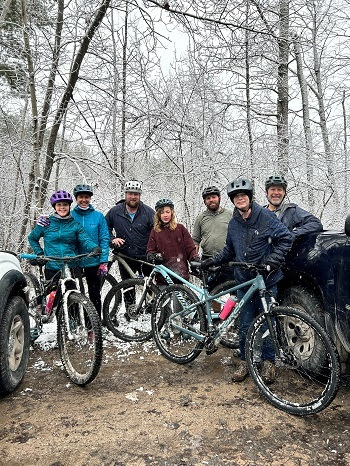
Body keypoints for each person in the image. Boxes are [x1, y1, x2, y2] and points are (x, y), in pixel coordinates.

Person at [201, 178, 293, 384]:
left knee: (267, 322)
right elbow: (228, 251)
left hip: (266, 280)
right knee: (244, 324)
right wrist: (211, 262)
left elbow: (286, 238)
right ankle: (246, 359)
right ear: (233, 200)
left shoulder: (266, 217)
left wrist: (271, 261)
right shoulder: (233, 223)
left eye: (243, 196)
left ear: (250, 198)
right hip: (244, 280)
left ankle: (269, 362)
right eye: (236, 197)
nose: (240, 199)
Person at [28, 190, 101, 283]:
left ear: (69, 206)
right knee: (53, 296)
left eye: (65, 205)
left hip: (70, 266)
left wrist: (94, 247)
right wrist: (39, 253)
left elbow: (85, 240)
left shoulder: (75, 225)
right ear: (55, 207)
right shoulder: (46, 223)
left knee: (72, 292)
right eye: (59, 205)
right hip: (52, 266)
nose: (62, 207)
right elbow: (32, 238)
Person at [70, 184, 110, 318]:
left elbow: (104, 238)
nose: (84, 200)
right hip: (74, 262)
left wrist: (103, 260)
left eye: (86, 197)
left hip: (93, 262)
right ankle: (75, 324)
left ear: (90, 198)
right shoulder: (69, 216)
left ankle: (94, 325)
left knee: (94, 295)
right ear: (76, 198)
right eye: (81, 197)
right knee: (72, 294)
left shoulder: (98, 216)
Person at [105, 180, 154, 279]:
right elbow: (104, 228)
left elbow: (158, 232)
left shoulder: (149, 212)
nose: (133, 197)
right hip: (125, 256)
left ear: (139, 195)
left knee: (149, 290)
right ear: (125, 194)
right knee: (128, 290)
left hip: (145, 258)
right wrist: (112, 239)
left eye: (136, 194)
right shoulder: (115, 211)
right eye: (130, 193)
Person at [146, 198, 198, 284]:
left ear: (172, 213)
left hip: (180, 274)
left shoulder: (180, 229)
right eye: (162, 213)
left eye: (167, 212)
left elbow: (190, 248)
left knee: (180, 297)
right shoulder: (155, 231)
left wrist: (194, 258)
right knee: (164, 297)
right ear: (158, 215)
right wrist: (153, 256)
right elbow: (150, 250)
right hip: (163, 276)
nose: (165, 215)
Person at [192, 186, 233, 289]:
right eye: (208, 198)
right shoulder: (200, 218)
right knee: (211, 294)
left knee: (234, 293)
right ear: (205, 201)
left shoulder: (230, 215)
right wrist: (194, 259)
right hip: (208, 260)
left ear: (219, 198)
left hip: (227, 260)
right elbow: (195, 241)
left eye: (214, 197)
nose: (211, 200)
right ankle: (213, 306)